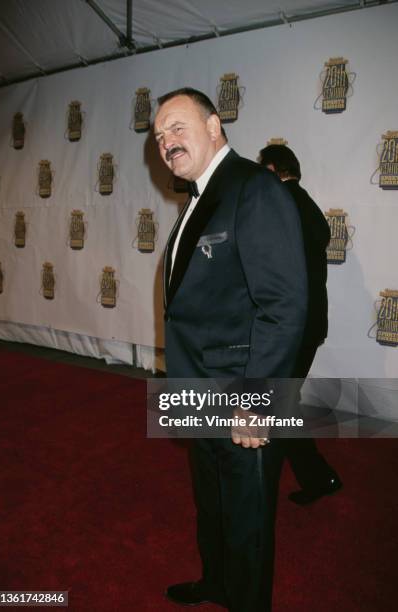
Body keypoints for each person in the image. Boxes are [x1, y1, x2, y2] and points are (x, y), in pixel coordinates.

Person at [154, 88, 308, 612]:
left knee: (247, 519)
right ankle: (217, 582)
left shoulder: (255, 189)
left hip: (243, 390)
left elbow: (283, 304)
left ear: (215, 125)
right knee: (214, 505)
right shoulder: (201, 195)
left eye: (177, 127)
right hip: (201, 391)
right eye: (159, 136)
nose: (167, 142)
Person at [259, 143, 342, 505]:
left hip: (293, 325)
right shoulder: (303, 203)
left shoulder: (284, 205)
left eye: (263, 171)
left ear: (275, 170)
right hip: (305, 323)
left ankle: (314, 477)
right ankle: (318, 477)